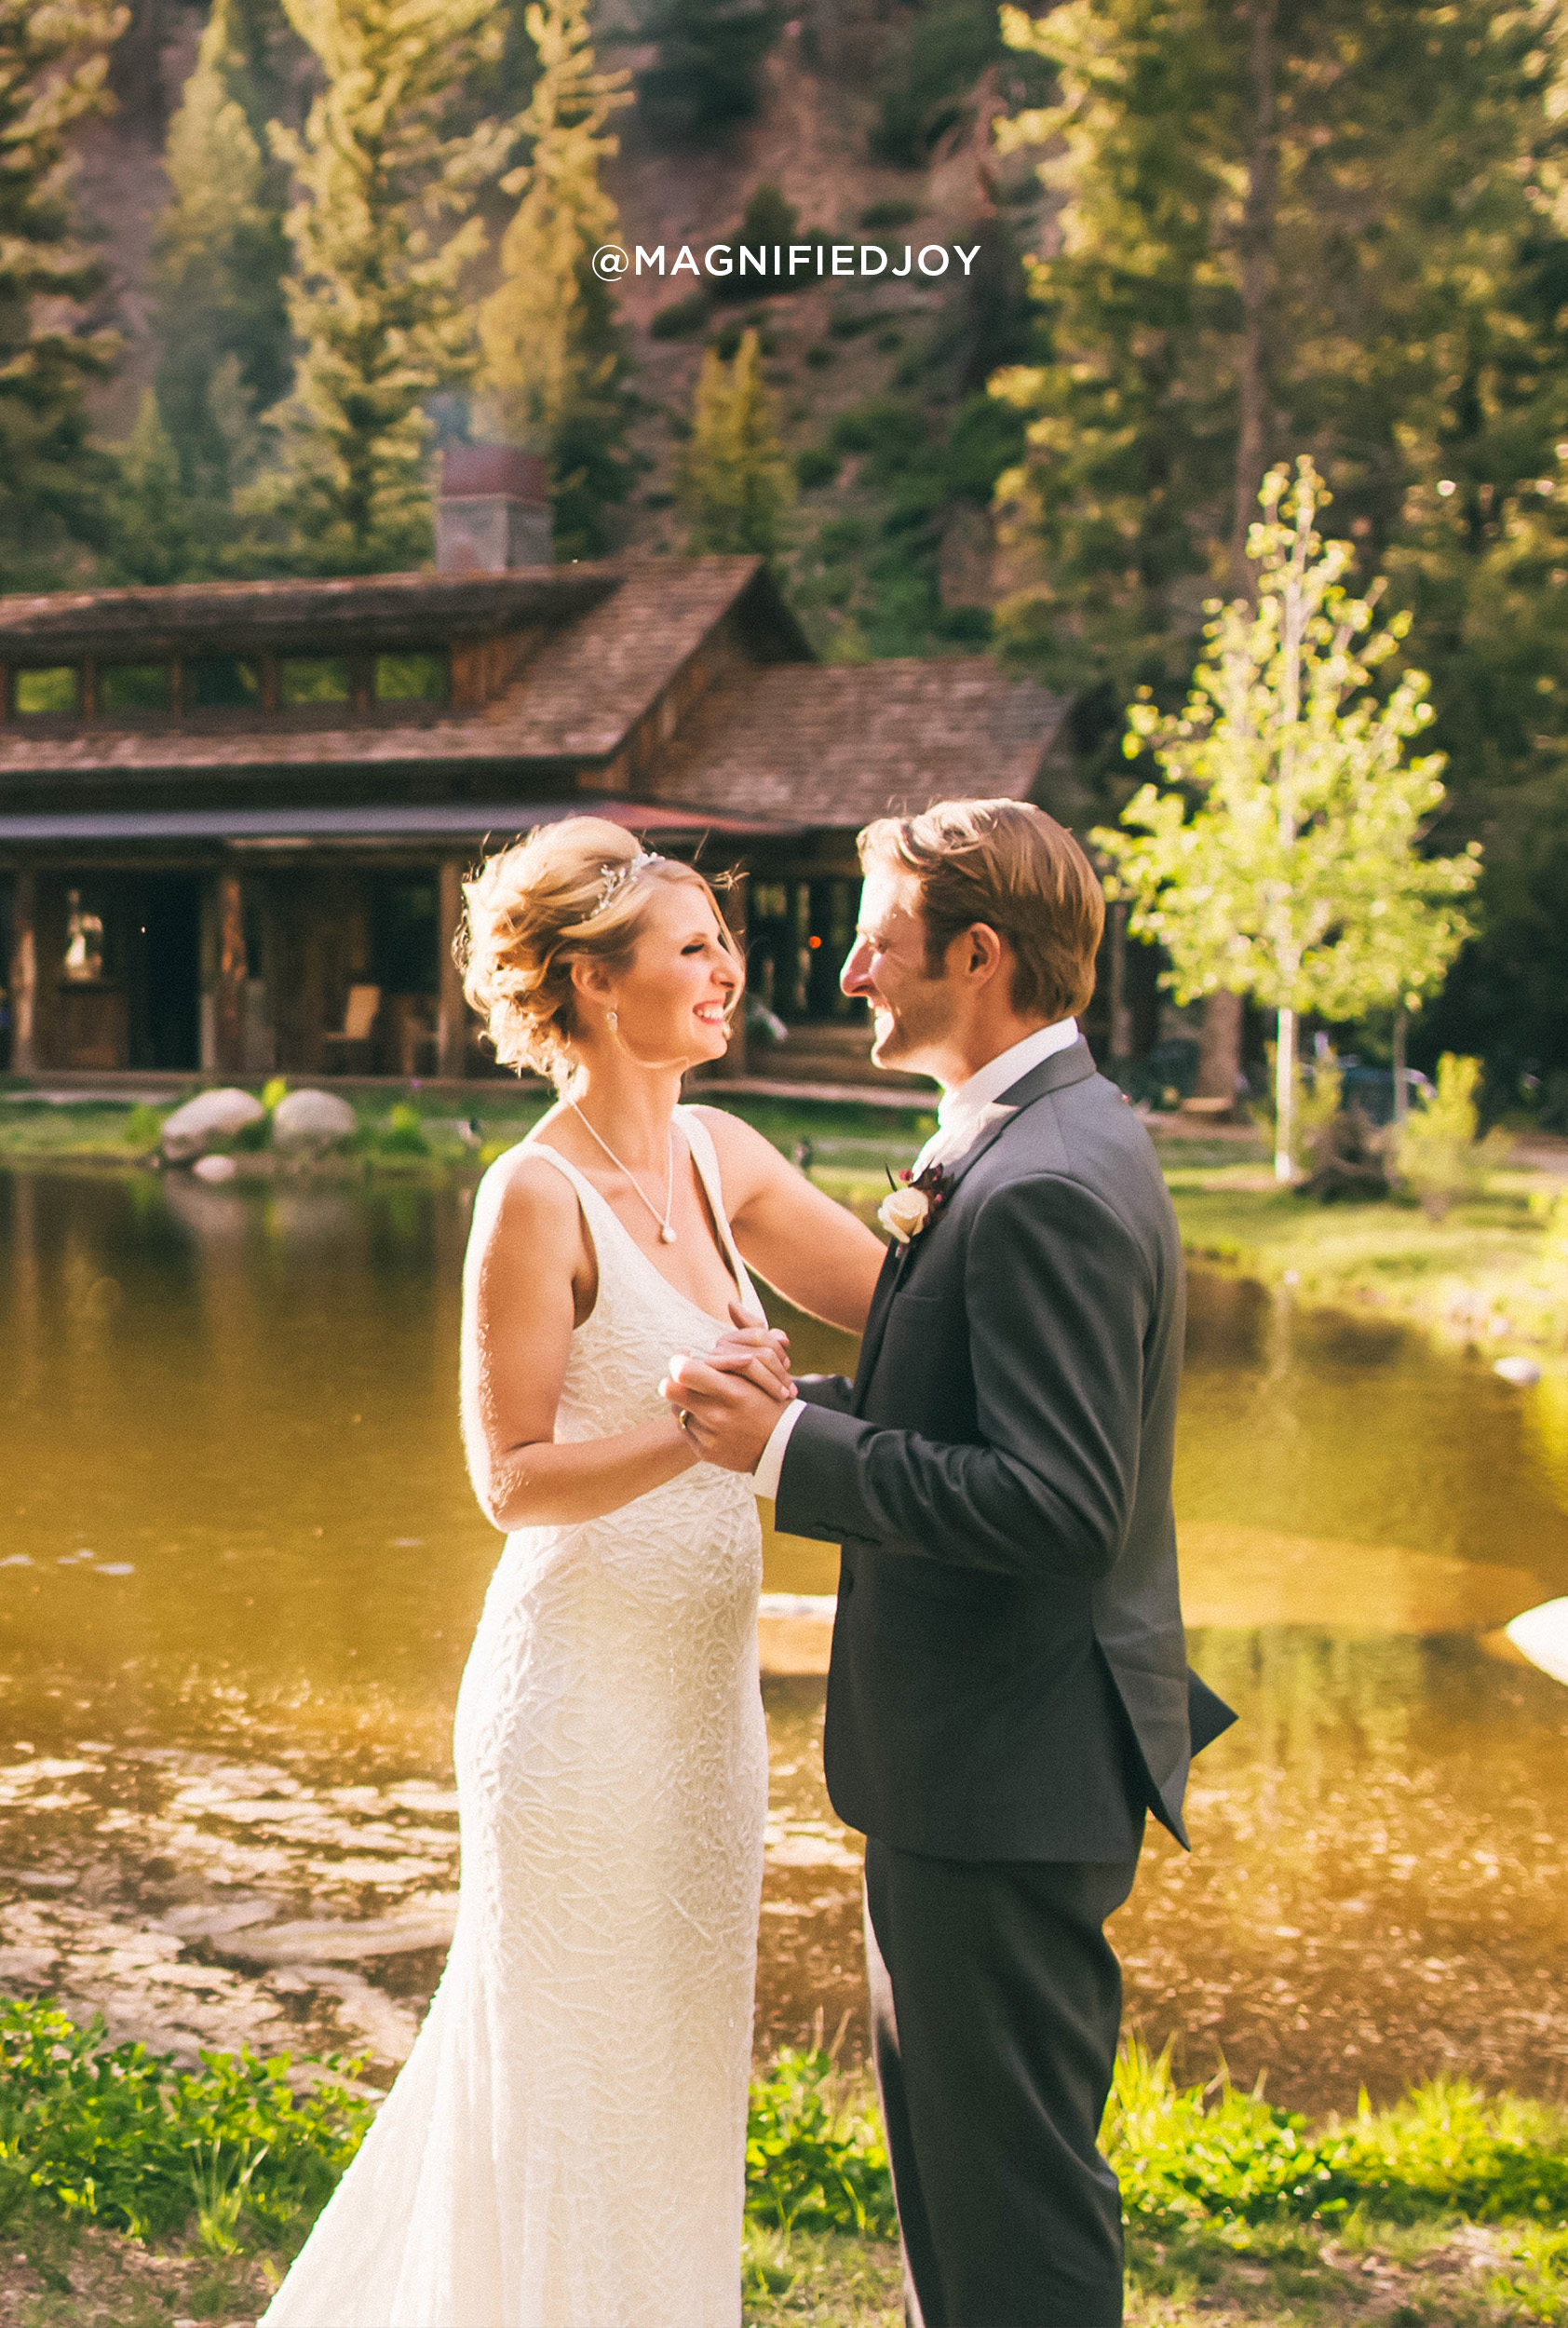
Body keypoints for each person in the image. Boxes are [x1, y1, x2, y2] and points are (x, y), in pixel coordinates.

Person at [260, 817, 885, 2328]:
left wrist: (1019, 1190)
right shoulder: (534, 1197)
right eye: (693, 948)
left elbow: (902, 1302)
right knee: (556, 2071)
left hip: (700, 1715)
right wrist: (703, 1426)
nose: (728, 966)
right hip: (576, 1706)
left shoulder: (722, 1153)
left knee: (674, 2067)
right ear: (598, 989)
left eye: (719, 942)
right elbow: (511, 1483)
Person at [665, 798, 1235, 2328]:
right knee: (973, 2203)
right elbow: (980, 1420)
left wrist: (792, 1462)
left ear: (978, 957)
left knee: (1010, 2224)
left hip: (1005, 1766)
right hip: (996, 1758)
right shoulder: (1044, 1135)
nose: (847, 972)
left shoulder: (1043, 1181)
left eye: (878, 941)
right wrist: (801, 1409)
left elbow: (1059, 1504)